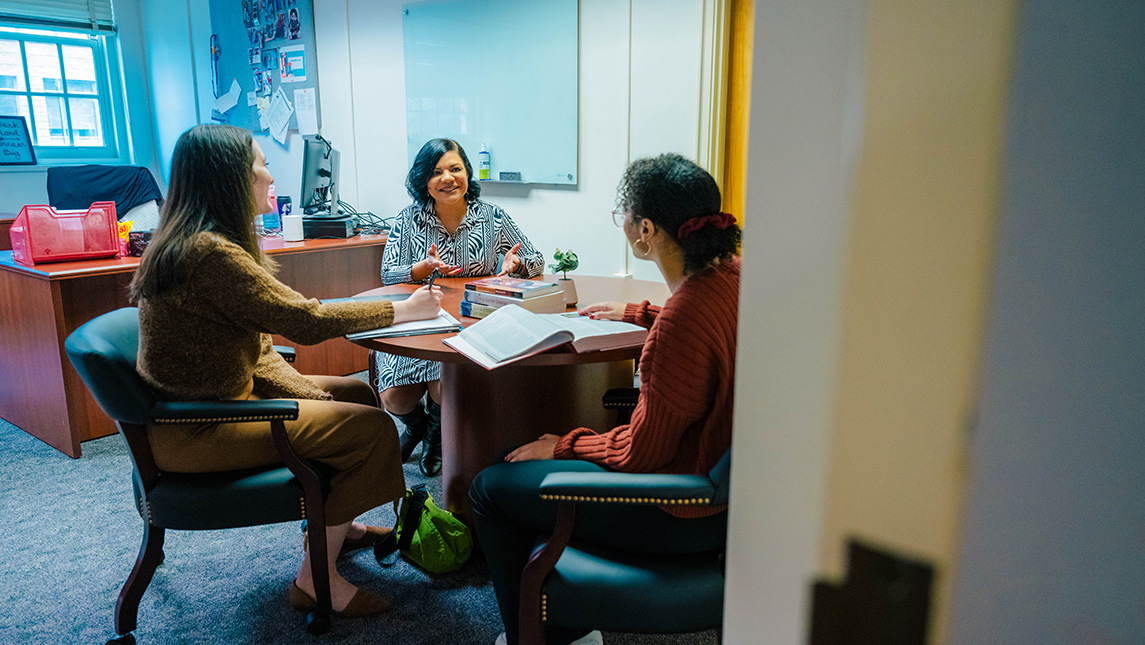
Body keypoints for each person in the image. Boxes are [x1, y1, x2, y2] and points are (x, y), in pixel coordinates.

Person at [129, 124, 444, 618]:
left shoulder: (199, 242)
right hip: (199, 428)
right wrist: (403, 311)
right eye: (260, 164)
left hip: (213, 404)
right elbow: (304, 320)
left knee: (358, 399)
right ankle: (314, 582)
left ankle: (340, 526)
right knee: (373, 430)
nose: (270, 175)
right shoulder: (209, 255)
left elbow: (257, 350)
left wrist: (321, 401)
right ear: (230, 177)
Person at [469, 153, 740, 645]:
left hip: (679, 511)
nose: (625, 225)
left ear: (647, 230)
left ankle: (536, 638)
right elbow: (709, 333)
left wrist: (566, 444)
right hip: (730, 501)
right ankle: (563, 624)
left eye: (625, 215)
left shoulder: (686, 316)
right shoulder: (735, 275)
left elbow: (641, 452)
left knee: (491, 483)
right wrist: (643, 312)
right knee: (516, 472)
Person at [376, 138, 544, 476]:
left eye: (455, 169)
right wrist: (417, 270)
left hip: (469, 322)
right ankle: (417, 427)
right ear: (423, 179)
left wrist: (516, 265)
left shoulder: (492, 216)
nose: (448, 178)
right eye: (437, 172)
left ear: (468, 173)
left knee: (445, 385)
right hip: (420, 318)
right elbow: (387, 271)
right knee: (394, 397)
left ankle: (435, 437)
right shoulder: (408, 219)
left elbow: (535, 258)